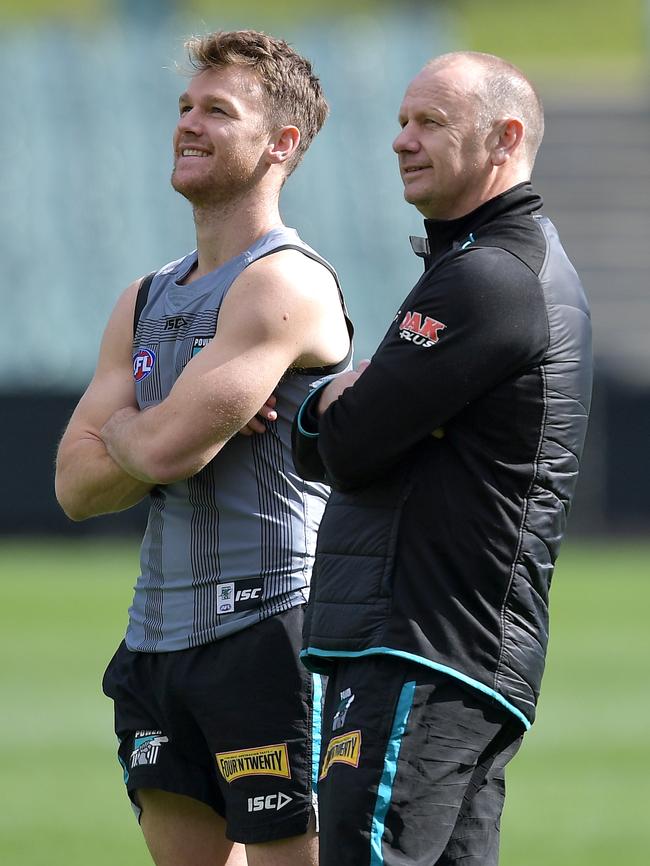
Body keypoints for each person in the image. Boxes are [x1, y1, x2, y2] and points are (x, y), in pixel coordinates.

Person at [55, 29, 352, 866]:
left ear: (280, 144)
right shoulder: (143, 297)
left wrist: (135, 428)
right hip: (154, 640)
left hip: (270, 628)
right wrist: (149, 431)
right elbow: (76, 487)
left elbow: (164, 453)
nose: (188, 123)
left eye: (218, 110)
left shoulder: (284, 281)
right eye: (186, 106)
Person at [291, 51, 592, 866]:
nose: (401, 141)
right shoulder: (488, 265)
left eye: (430, 122)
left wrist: (314, 408)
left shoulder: (491, 278)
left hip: (423, 645)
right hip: (450, 651)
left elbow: (344, 446)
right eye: (400, 121)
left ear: (505, 138)